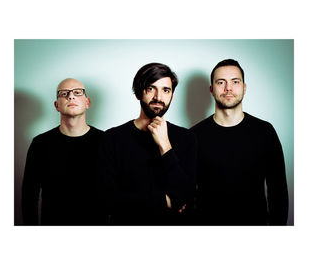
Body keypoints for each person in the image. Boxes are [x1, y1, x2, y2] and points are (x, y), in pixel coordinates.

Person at [191, 59, 289, 225]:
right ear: (211, 90)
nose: (228, 88)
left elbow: (278, 191)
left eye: (235, 82)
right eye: (221, 82)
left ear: (244, 88)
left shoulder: (265, 132)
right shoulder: (193, 135)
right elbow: (186, 193)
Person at [98, 63, 197, 225]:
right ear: (138, 93)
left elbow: (185, 196)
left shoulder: (186, 138)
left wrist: (165, 145)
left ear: (172, 95)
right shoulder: (112, 138)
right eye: (151, 88)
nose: (159, 97)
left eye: (166, 90)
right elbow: (107, 200)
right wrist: (163, 201)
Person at [22, 78, 104, 225]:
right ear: (56, 105)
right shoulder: (40, 144)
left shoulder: (107, 141)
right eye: (64, 93)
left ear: (88, 103)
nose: (71, 96)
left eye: (78, 93)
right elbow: (29, 197)